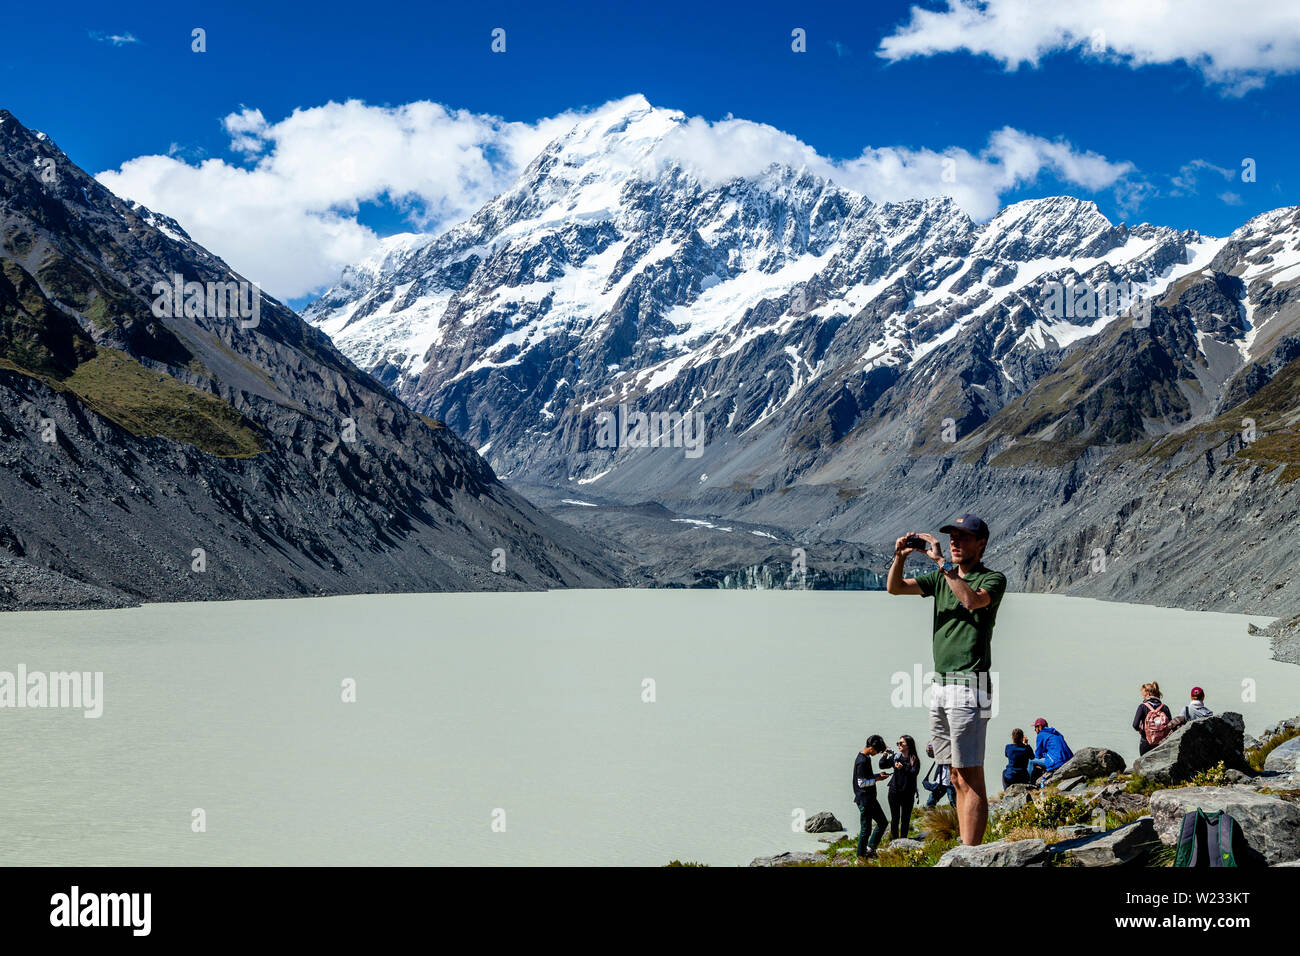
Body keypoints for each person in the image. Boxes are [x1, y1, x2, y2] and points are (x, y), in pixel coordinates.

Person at [887, 514, 1008, 845]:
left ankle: (971, 854)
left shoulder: (992, 578)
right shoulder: (941, 579)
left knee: (970, 776)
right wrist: (900, 557)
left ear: (981, 544)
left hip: (970, 683)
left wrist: (941, 563)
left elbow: (971, 601)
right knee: (953, 775)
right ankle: (967, 849)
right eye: (952, 536)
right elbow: (895, 588)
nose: (955, 542)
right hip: (941, 685)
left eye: (963, 537)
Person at [853, 734, 891, 860]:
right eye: (877, 751)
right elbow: (862, 783)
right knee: (866, 830)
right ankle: (860, 857)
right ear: (871, 748)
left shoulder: (865, 757)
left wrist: (876, 775)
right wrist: (877, 779)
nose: (877, 753)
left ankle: (870, 848)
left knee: (882, 823)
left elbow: (866, 777)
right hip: (864, 800)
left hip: (870, 799)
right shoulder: (862, 761)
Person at [887, 734, 921, 839]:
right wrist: (885, 755)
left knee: (905, 818)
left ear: (909, 745)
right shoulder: (896, 757)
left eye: (902, 743)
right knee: (895, 818)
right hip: (894, 791)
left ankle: (903, 840)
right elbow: (882, 765)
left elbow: (913, 773)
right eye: (898, 743)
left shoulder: (914, 760)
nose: (899, 745)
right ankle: (895, 841)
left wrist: (902, 768)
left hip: (908, 793)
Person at [1028, 718, 1073, 787]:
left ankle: (1029, 784)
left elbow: (1037, 754)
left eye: (1035, 727)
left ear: (1039, 727)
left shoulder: (1041, 735)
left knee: (1031, 761)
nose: (1035, 730)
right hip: (1068, 760)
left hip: (1057, 762)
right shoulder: (1056, 733)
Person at [1133, 682, 1173, 755]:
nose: (1143, 697)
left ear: (1148, 694)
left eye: (1143, 695)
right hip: (1161, 743)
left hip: (1146, 742)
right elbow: (1170, 726)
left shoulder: (1142, 706)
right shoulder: (1165, 707)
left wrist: (1141, 731)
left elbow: (1135, 725)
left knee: (1144, 765)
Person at [921, 742, 957, 808]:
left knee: (953, 802)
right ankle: (930, 815)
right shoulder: (941, 752)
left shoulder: (954, 751)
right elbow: (931, 754)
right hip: (940, 782)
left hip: (952, 782)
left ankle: (958, 816)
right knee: (931, 802)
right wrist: (929, 748)